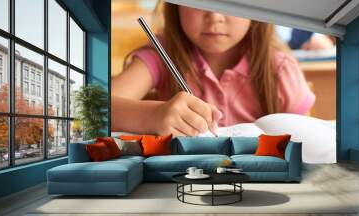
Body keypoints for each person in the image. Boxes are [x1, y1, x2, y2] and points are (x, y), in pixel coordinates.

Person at [112, 2, 315, 137]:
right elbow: (90, 109)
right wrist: (151, 116)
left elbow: (306, 145)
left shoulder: (280, 69)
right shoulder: (160, 56)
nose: (215, 15)